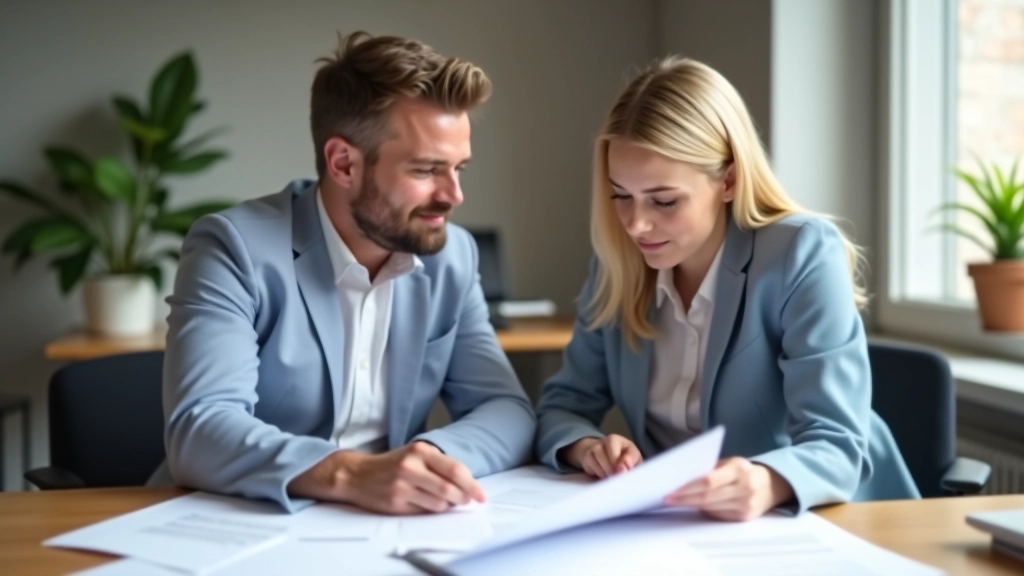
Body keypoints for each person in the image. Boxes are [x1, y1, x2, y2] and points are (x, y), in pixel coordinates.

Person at [157, 31, 535, 514]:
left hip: (387, 526)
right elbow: (200, 428)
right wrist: (352, 473)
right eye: (426, 170)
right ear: (343, 163)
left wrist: (427, 461)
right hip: (247, 518)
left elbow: (508, 411)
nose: (453, 195)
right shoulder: (234, 248)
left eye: (459, 168)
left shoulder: (452, 256)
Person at [535, 57, 919, 521]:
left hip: (828, 521)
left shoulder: (800, 253)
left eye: (664, 200)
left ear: (729, 180)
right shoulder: (619, 264)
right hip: (689, 528)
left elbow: (837, 444)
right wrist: (587, 446)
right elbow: (562, 406)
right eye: (622, 195)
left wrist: (765, 480)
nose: (636, 224)